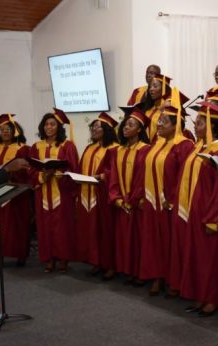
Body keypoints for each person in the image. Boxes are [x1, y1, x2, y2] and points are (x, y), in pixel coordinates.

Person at [178, 101, 218, 316]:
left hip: (210, 214)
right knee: (198, 258)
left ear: (211, 125)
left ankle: (212, 299)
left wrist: (215, 218)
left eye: (200, 123)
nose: (195, 126)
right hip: (195, 210)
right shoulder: (199, 147)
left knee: (211, 260)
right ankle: (200, 296)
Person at [139, 90, 194, 296]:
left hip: (171, 203)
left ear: (176, 124)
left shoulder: (184, 145)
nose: (158, 124)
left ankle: (174, 280)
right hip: (154, 201)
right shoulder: (157, 142)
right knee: (154, 241)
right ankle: (157, 276)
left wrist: (173, 200)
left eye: (164, 121)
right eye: (159, 120)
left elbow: (185, 177)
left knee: (172, 243)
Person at [29, 108, 79, 273]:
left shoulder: (67, 146)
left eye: (52, 124)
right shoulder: (36, 147)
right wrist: (43, 176)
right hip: (43, 190)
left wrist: (58, 174)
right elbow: (30, 169)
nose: (49, 127)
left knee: (62, 226)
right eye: (46, 124)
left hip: (61, 192)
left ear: (59, 127)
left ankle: (63, 258)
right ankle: (49, 258)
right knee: (44, 226)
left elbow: (73, 169)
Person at [109, 106, 151, 286]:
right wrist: (117, 199)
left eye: (131, 125)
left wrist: (133, 200)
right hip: (122, 204)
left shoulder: (146, 150)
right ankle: (128, 270)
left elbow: (144, 179)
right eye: (125, 124)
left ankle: (140, 273)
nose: (126, 127)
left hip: (138, 204)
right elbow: (113, 178)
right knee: (125, 239)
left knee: (139, 240)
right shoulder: (118, 151)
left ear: (140, 129)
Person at [74, 112, 118, 280]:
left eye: (97, 127)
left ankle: (110, 265)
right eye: (92, 127)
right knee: (90, 231)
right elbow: (81, 168)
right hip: (87, 195)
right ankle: (95, 262)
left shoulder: (113, 148)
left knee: (104, 231)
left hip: (102, 196)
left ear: (106, 129)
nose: (93, 129)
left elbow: (114, 172)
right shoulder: (89, 148)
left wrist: (102, 177)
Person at [0, 114, 31, 266]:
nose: (4, 132)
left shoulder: (23, 149)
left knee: (18, 224)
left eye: (8, 129)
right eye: (2, 129)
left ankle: (20, 255)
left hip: (15, 192)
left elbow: (26, 171)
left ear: (15, 131)